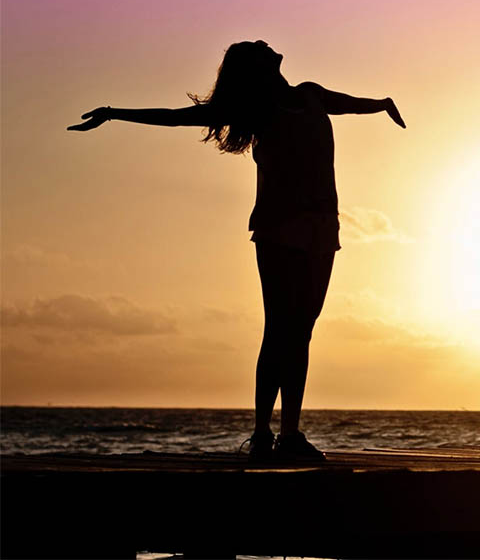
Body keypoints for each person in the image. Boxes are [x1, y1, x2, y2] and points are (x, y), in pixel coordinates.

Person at [68, 40, 405, 461]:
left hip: (323, 228)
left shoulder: (311, 94)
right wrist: (116, 113)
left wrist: (383, 103)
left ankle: (289, 434)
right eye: (257, 48)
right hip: (279, 228)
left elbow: (352, 104)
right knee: (280, 329)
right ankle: (266, 433)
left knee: (301, 333)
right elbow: (178, 118)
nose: (267, 44)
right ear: (255, 68)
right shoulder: (256, 110)